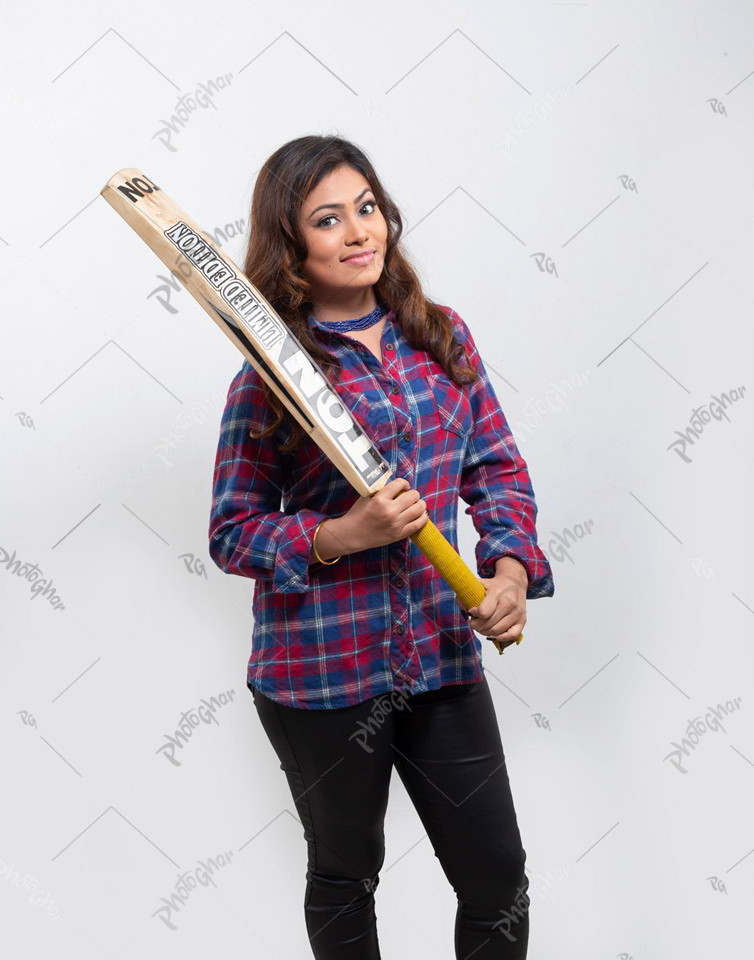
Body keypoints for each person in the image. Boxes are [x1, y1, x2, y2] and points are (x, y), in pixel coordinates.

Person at [208, 134, 555, 959]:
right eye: (329, 220)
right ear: (293, 246)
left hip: (439, 656)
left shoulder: (442, 335)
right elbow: (231, 530)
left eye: (367, 208)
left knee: (497, 874)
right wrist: (339, 535)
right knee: (346, 869)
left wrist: (505, 570)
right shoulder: (269, 376)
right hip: (321, 673)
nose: (360, 231)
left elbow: (497, 469)